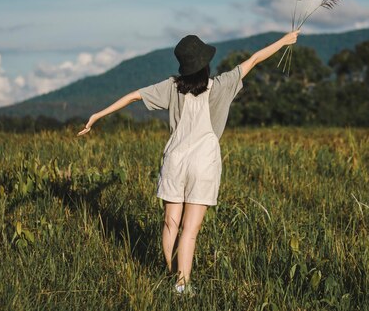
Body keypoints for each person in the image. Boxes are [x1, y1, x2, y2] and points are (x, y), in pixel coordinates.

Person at [77, 29, 300, 293]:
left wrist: (97, 116)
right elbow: (253, 60)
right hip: (204, 163)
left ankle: (169, 273)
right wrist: (285, 40)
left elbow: (133, 96)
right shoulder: (222, 85)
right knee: (189, 230)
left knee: (170, 223)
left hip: (175, 160)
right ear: (205, 65)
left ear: (183, 67)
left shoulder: (172, 87)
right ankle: (182, 286)